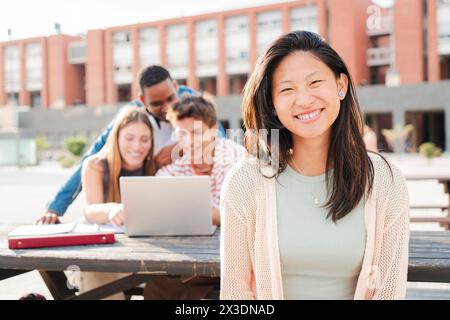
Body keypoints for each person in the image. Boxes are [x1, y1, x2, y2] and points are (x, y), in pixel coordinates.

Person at [220, 31, 410, 300]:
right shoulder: (245, 182)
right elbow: (236, 293)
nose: (304, 99)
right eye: (287, 89)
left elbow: (389, 292)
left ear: (341, 85)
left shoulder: (384, 181)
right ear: (272, 104)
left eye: (315, 82)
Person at [35, 65, 225, 225]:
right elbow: (94, 155)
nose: (166, 107)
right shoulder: (131, 114)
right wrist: (55, 208)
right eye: (157, 103)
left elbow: (219, 142)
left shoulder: (191, 102)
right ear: (143, 100)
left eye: (170, 99)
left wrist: (180, 148)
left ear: (175, 87)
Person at [79, 106, 155, 300]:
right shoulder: (95, 165)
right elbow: (90, 210)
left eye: (144, 139)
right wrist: (111, 209)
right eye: (129, 138)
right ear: (116, 138)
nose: (137, 146)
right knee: (93, 269)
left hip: (149, 255)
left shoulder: (155, 167)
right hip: (108, 253)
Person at [156, 95, 246, 226]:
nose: (189, 141)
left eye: (196, 132)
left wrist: (180, 211)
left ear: (213, 130)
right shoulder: (182, 163)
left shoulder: (235, 158)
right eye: (182, 134)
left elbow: (242, 215)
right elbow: (155, 189)